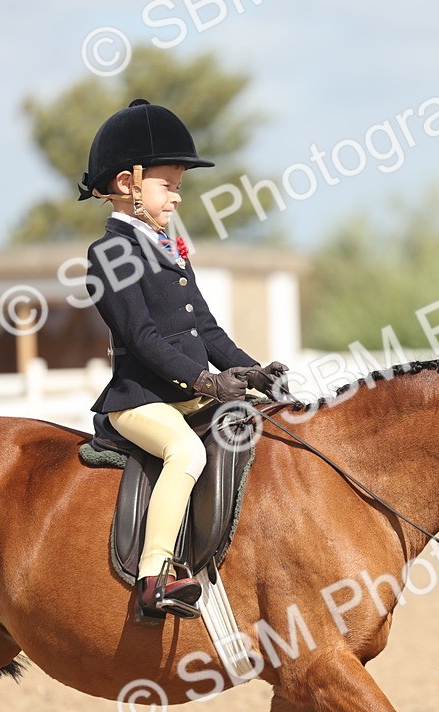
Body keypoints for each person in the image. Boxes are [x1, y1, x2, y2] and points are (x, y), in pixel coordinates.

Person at [78, 99, 287, 622]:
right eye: (167, 186)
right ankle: (155, 577)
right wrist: (205, 381)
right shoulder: (110, 254)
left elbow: (208, 331)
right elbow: (143, 337)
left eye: (178, 188)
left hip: (185, 394)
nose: (176, 197)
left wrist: (255, 371)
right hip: (140, 401)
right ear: (128, 183)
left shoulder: (167, 247)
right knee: (186, 454)